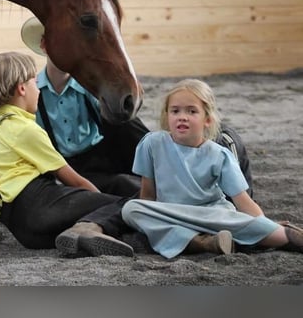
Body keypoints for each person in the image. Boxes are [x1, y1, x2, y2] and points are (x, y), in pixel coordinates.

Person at [0, 51, 134, 257]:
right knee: (126, 206)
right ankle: (91, 227)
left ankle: (83, 232)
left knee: (102, 214)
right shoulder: (26, 129)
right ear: (22, 88)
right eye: (35, 82)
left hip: (25, 233)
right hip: (41, 207)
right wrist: (103, 203)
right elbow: (75, 181)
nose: (39, 90)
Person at [121, 78, 303, 258]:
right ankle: (204, 242)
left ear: (207, 119)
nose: (182, 116)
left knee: (234, 218)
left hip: (214, 214)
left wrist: (264, 223)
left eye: (192, 111)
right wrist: (152, 218)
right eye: (175, 111)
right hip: (172, 214)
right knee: (132, 209)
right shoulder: (152, 144)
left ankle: (287, 237)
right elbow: (148, 196)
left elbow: (243, 202)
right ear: (167, 115)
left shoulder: (220, 155)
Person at [20, 16, 146, 197]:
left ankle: (160, 166)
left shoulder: (89, 84)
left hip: (106, 154)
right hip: (74, 170)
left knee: (126, 119)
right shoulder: (34, 92)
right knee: (123, 185)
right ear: (44, 45)